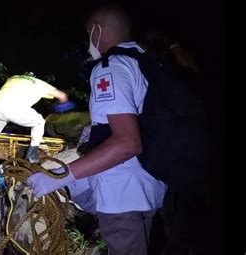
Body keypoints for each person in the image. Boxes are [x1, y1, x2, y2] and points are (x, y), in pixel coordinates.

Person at [27, 5, 167, 255]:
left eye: (88, 32)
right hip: (153, 185)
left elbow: (127, 142)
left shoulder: (110, 67)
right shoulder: (148, 62)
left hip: (122, 198)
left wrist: (61, 177)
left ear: (97, 31)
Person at [0, 72, 69, 192]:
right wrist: (64, 105)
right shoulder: (39, 83)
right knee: (39, 121)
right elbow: (61, 95)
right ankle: (32, 154)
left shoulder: (13, 78)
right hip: (14, 109)